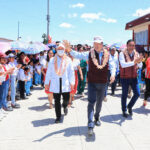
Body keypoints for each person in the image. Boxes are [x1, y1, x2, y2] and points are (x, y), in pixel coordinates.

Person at [64, 36, 116, 136]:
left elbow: (113, 65)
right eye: (94, 43)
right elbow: (77, 55)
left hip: (103, 82)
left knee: (99, 102)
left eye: (98, 44)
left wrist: (113, 74)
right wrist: (69, 49)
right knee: (91, 102)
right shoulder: (89, 53)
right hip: (92, 82)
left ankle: (97, 117)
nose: (96, 45)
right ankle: (90, 124)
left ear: (102, 44)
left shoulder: (107, 55)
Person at [45, 43, 75, 123]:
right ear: (56, 50)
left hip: (65, 82)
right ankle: (58, 116)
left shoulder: (68, 59)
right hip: (55, 83)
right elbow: (49, 72)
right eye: (59, 49)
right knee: (57, 101)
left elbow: (71, 72)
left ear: (64, 50)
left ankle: (65, 106)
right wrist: (47, 82)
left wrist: (72, 82)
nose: (60, 51)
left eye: (62, 49)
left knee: (65, 99)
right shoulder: (52, 60)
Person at [119, 39, 143, 118]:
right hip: (124, 77)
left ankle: (129, 106)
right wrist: (135, 62)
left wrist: (139, 62)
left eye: (133, 45)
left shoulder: (137, 54)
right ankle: (124, 110)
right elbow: (123, 65)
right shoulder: (122, 54)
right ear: (127, 45)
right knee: (124, 95)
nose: (132, 47)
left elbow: (140, 66)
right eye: (130, 45)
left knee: (137, 94)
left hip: (134, 77)